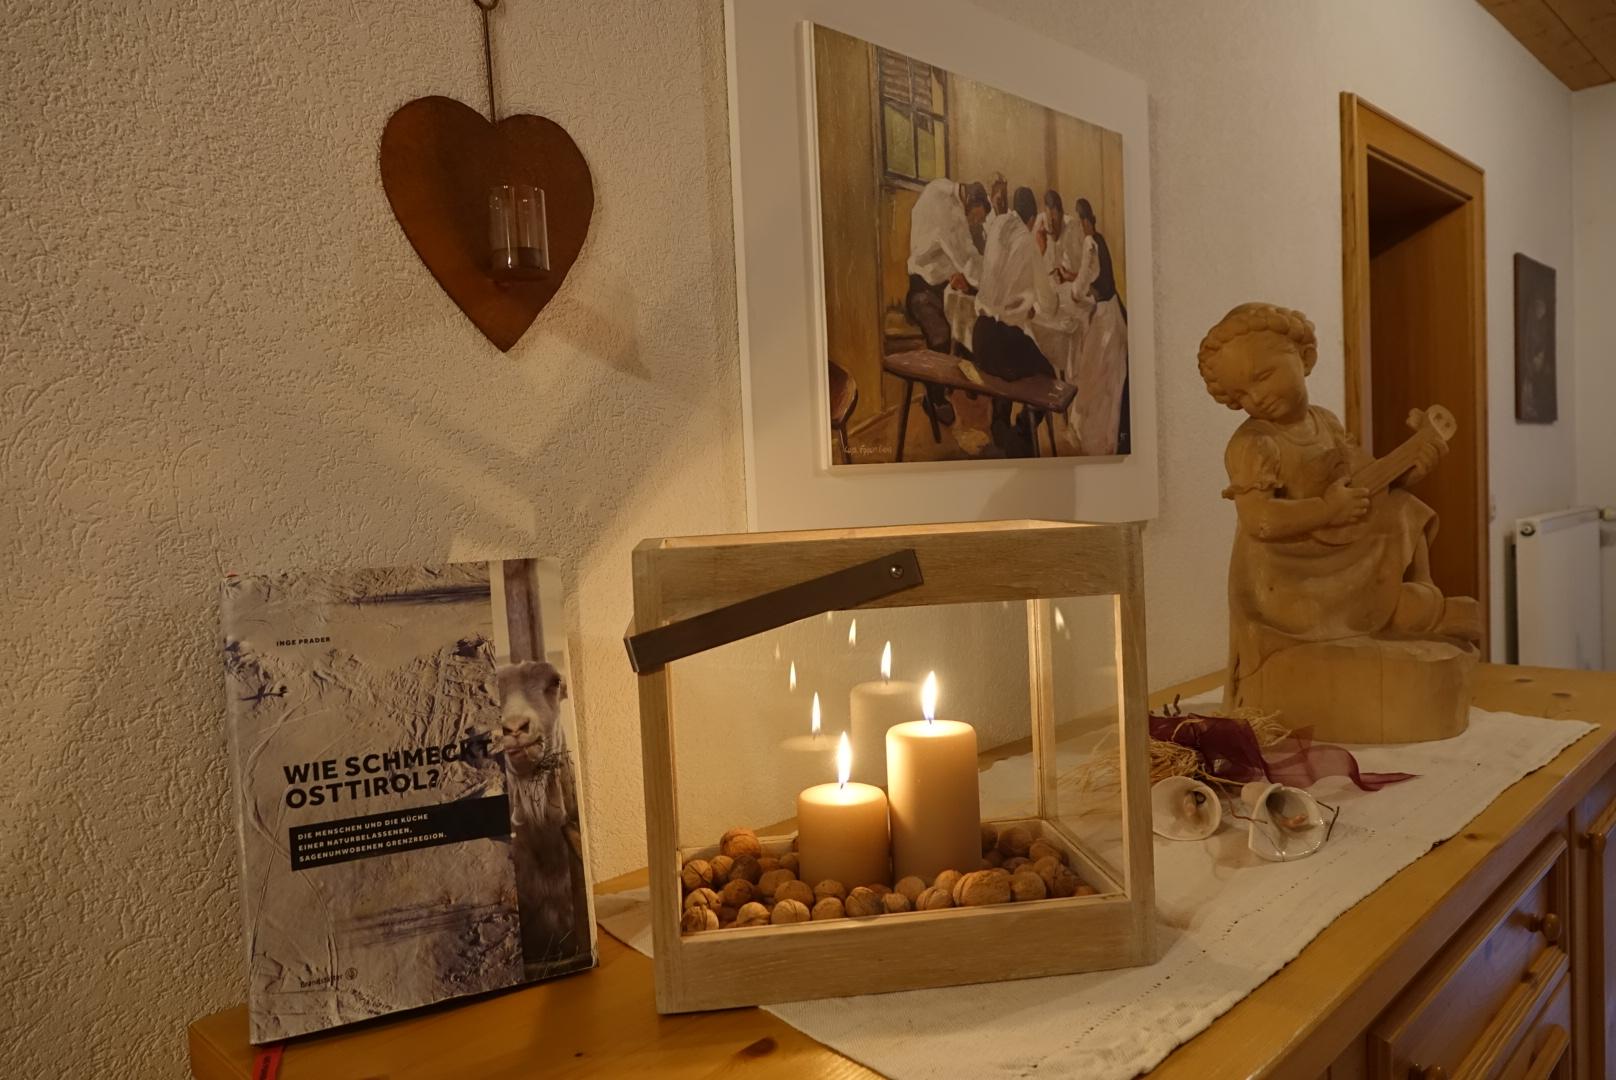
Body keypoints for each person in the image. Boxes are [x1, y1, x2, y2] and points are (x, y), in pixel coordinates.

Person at [1195, 302, 1481, 707]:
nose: (1256, 398)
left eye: (1262, 377)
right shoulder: (1254, 444)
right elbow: (1260, 520)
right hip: (1286, 577)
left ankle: (1420, 589)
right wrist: (1328, 510)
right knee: (1393, 573)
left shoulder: (1326, 422)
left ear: (1306, 357)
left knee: (1403, 505)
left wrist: (1410, 467)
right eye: (1241, 394)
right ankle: (1412, 611)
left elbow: (1368, 482)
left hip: (1331, 550)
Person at [971, 186, 1058, 455]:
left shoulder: (998, 225)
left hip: (979, 338)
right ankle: (1021, 431)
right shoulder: (1029, 244)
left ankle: (999, 424)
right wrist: (1040, 255)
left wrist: (1022, 304)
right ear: (1031, 219)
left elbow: (1001, 282)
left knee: (1012, 353)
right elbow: (1050, 305)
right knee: (1048, 376)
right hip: (1002, 343)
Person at [905, 179, 991, 426]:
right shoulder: (947, 208)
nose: (975, 223)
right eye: (976, 217)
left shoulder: (943, 190)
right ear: (971, 202)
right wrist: (987, 282)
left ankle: (963, 384)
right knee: (941, 336)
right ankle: (934, 400)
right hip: (922, 289)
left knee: (968, 324)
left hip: (941, 285)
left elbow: (960, 252)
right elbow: (965, 257)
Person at [1067, 198, 1129, 455]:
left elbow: (1081, 286)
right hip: (1114, 309)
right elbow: (1096, 277)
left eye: (1079, 221)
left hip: (1105, 319)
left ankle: (1097, 438)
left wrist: (1073, 290)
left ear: (1084, 221)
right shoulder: (1100, 240)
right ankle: (1108, 437)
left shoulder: (1089, 243)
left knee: (1095, 375)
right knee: (1109, 381)